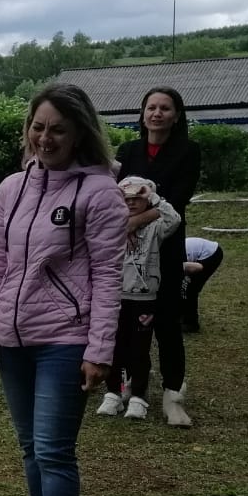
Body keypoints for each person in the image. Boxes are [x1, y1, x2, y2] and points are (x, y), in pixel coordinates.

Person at [0, 83, 125, 496]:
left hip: (66, 338)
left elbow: (108, 276)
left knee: (54, 452)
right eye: (38, 127)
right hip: (13, 338)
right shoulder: (12, 188)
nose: (45, 138)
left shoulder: (99, 193)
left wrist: (99, 349)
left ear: (80, 132)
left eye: (58, 129)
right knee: (31, 448)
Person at [114, 87, 202, 426]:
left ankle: (172, 394)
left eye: (165, 108)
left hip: (165, 246)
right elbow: (115, 195)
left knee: (166, 321)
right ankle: (129, 385)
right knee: (126, 321)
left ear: (176, 115)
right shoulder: (128, 151)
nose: (157, 113)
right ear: (143, 113)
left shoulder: (188, 151)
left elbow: (178, 199)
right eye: (151, 107)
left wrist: (136, 220)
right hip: (128, 250)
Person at [96, 177, 180, 420]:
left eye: (137, 198)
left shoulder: (155, 227)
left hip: (145, 298)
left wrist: (152, 196)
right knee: (114, 346)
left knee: (139, 348)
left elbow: (174, 219)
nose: (132, 203)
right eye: (126, 199)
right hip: (115, 295)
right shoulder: (111, 226)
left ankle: (138, 396)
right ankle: (114, 392)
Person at [182, 234, 224, 332]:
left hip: (211, 254)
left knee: (190, 289)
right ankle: (183, 316)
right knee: (184, 287)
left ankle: (191, 324)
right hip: (200, 252)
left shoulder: (172, 261)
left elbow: (198, 267)